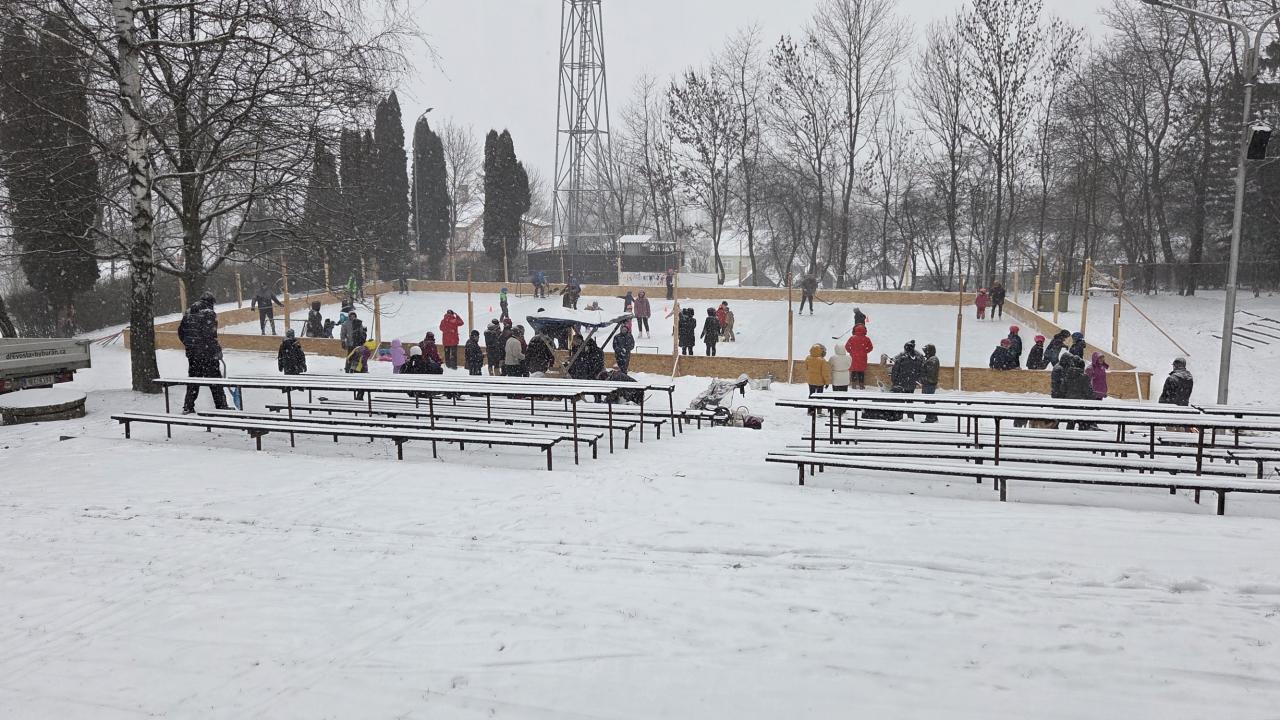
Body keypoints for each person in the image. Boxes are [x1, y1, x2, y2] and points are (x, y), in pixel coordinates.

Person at [177, 292, 229, 413]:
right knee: (215, 381)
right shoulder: (209, 313)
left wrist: (190, 345)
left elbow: (181, 332)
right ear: (211, 303)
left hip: (193, 355)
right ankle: (221, 406)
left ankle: (188, 406)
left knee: (193, 381)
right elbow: (210, 336)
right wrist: (217, 351)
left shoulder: (188, 313)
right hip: (207, 354)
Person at [845, 325, 873, 390]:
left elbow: (847, 346)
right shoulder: (866, 339)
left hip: (853, 357)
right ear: (864, 330)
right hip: (862, 357)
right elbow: (870, 347)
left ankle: (853, 385)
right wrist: (865, 351)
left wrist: (851, 351)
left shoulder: (852, 338)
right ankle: (861, 385)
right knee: (861, 371)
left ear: (856, 330)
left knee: (854, 370)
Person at [920, 344, 941, 423]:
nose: (925, 353)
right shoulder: (931, 359)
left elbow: (930, 373)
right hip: (928, 383)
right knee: (929, 401)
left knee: (929, 401)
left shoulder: (932, 360)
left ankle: (930, 418)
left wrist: (923, 379)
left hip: (929, 384)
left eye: (926, 351)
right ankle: (933, 417)